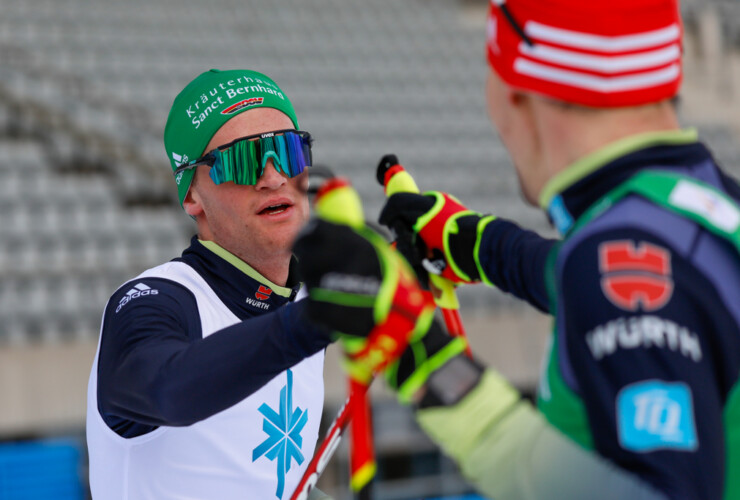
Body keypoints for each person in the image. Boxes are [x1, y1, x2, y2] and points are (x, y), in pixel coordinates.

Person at [292, 0, 740, 498]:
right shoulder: (703, 205)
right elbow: (591, 278)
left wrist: (420, 355)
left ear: (519, 95)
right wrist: (474, 242)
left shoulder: (616, 252)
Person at [86, 69, 333, 500]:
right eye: (244, 159)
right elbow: (167, 389)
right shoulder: (154, 301)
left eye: (288, 151)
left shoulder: (305, 298)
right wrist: (308, 325)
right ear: (191, 196)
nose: (274, 177)